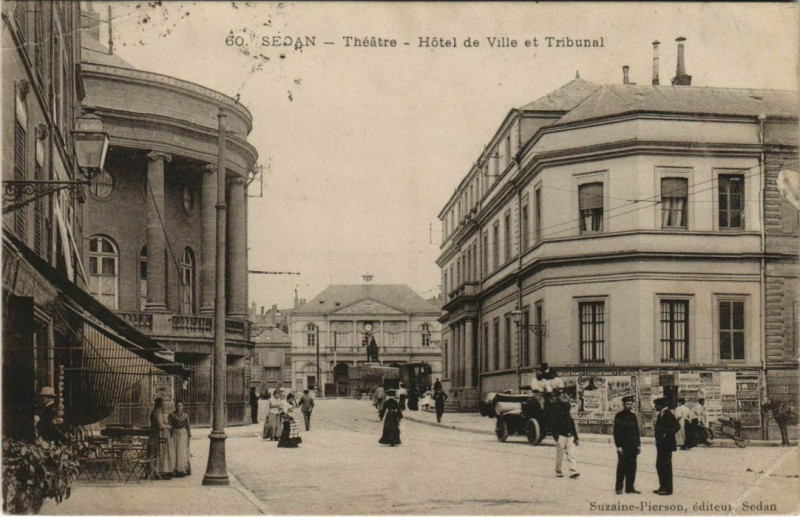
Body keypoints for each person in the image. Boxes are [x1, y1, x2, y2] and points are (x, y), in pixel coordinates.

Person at [613, 395, 641, 494]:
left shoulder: (633, 416)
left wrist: (638, 445)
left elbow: (637, 431)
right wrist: (618, 446)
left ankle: (630, 487)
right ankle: (619, 488)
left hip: (633, 446)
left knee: (632, 467)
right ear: (623, 405)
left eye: (631, 404)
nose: (630, 406)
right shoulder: (619, 416)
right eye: (628, 404)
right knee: (622, 467)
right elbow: (616, 432)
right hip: (623, 446)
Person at [653, 397, 680, 495]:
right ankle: (662, 487)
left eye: (656, 405)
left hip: (666, 445)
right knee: (660, 465)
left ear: (661, 405)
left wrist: (666, 433)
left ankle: (667, 489)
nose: (655, 406)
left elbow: (677, 426)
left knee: (666, 466)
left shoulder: (668, 414)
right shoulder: (662, 414)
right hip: (661, 445)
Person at [552, 390, 580, 479]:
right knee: (560, 455)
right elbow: (554, 425)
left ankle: (573, 471)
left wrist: (575, 437)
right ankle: (558, 471)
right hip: (561, 435)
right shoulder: (557, 410)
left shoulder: (568, 413)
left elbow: (572, 426)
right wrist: (557, 436)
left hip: (569, 436)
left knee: (571, 454)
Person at [149, 397, 173, 479]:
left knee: (163, 452)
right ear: (160, 404)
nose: (164, 405)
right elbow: (160, 425)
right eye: (163, 403)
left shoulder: (159, 412)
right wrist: (168, 426)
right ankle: (160, 472)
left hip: (161, 434)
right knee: (161, 452)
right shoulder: (157, 412)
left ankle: (163, 471)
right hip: (159, 434)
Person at [168, 402, 191, 477]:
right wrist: (170, 435)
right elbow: (170, 426)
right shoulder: (171, 415)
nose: (179, 408)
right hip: (175, 434)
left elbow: (188, 426)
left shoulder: (185, 416)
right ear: (175, 406)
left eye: (180, 406)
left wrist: (189, 437)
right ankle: (175, 470)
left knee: (182, 452)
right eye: (177, 406)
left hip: (183, 434)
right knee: (175, 451)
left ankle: (182, 470)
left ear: (183, 407)